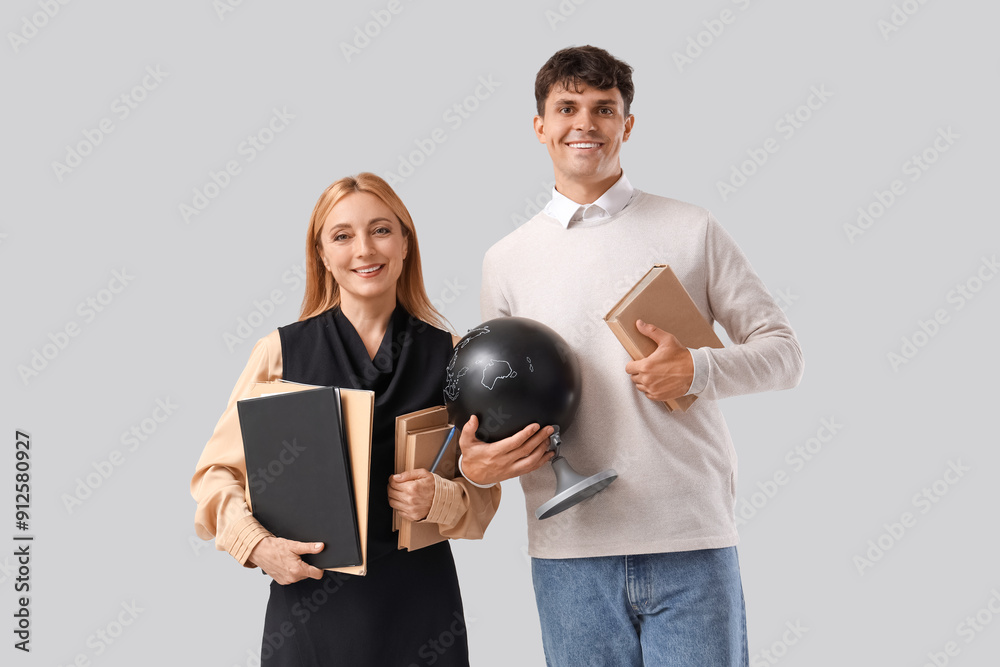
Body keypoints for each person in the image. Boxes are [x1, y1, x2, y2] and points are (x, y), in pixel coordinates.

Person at [458, 46, 805, 666]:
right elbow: (495, 399)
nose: (584, 124)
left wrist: (698, 368)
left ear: (628, 124)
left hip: (689, 540)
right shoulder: (506, 260)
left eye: (603, 109)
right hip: (568, 552)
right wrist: (479, 462)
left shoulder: (691, 228)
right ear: (540, 126)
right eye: (567, 108)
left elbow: (784, 355)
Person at [190, 173, 551, 666]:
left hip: (422, 612)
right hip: (309, 613)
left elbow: (482, 492)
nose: (364, 249)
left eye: (381, 230)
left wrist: (438, 498)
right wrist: (257, 546)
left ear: (405, 243)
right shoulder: (280, 354)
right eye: (342, 236)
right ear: (322, 255)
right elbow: (215, 475)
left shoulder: (453, 357)